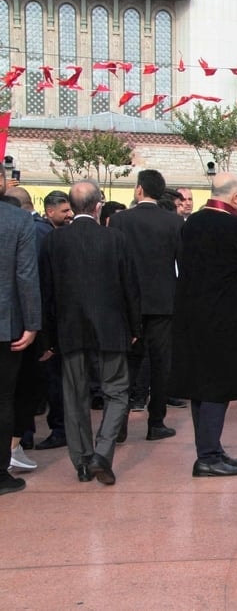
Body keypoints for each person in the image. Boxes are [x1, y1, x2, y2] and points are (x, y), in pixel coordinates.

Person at [170, 173, 237, 477]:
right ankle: (207, 456)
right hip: (224, 320)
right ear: (235, 197)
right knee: (217, 386)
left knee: (199, 386)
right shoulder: (236, 226)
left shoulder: (192, 223)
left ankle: (210, 448)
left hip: (193, 316)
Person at [41, 180, 141, 484]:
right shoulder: (115, 239)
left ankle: (83, 462)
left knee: (74, 397)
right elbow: (130, 287)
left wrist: (47, 337)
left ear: (72, 207)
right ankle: (102, 452)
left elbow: (47, 292)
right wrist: (135, 326)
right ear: (98, 205)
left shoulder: (54, 241)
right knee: (117, 392)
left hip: (69, 331)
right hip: (111, 329)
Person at [108, 169, 183, 439]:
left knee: (128, 364)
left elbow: (113, 265)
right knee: (162, 364)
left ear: (139, 190)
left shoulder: (119, 221)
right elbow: (183, 266)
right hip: (164, 303)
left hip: (129, 304)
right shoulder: (174, 223)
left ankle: (119, 425)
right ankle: (156, 422)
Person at [0, 162, 41, 495]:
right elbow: (26, 276)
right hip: (7, 325)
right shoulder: (18, 220)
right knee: (3, 399)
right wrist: (32, 323)